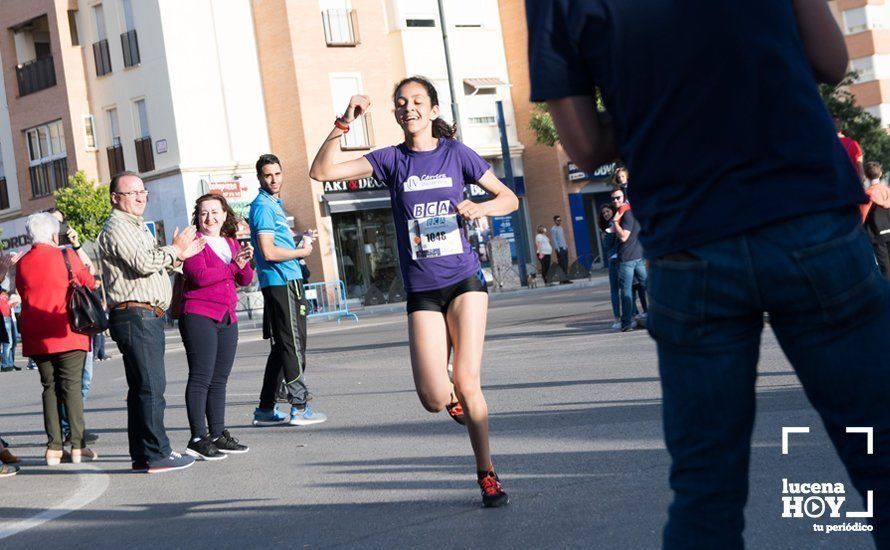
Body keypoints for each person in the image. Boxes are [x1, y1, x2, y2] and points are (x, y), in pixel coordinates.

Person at [527, 0, 890, 546]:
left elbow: (584, 145)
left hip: (690, 241)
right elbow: (831, 60)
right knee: (879, 450)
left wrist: (658, 102)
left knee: (706, 489)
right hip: (806, 212)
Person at [309, 75, 519, 507]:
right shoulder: (391, 160)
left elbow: (509, 199)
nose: (409, 107)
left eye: (418, 101)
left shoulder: (456, 154)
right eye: (401, 102)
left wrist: (480, 206)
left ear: (434, 110)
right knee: (432, 397)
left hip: (464, 279)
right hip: (422, 288)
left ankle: (487, 474)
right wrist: (343, 123)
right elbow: (321, 171)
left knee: (467, 378)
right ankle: (450, 396)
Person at [98, 171, 205, 474]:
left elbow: (150, 265)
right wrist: (175, 252)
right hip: (136, 314)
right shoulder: (118, 226)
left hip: (145, 313)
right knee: (150, 387)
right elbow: (144, 263)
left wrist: (175, 256)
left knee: (141, 389)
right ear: (115, 198)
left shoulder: (135, 226)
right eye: (131, 193)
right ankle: (158, 453)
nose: (140, 197)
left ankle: (142, 454)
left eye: (142, 191)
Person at [248, 154, 327, 428]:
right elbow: (268, 251)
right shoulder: (262, 207)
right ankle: (299, 407)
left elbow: (272, 243)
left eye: (277, 174)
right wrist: (301, 251)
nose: (274, 179)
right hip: (282, 282)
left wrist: (298, 240)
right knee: (293, 345)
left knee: (283, 347)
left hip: (285, 279)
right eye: (268, 175)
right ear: (259, 178)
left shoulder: (273, 204)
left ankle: (266, 409)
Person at [16, 213, 98, 465]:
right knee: (71, 387)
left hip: (37, 336)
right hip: (67, 332)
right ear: (54, 234)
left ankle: (53, 448)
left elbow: (22, 291)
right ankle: (77, 446)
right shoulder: (66, 256)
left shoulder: (22, 263)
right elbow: (90, 282)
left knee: (49, 388)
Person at [179, 193, 254, 460]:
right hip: (199, 314)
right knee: (201, 377)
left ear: (224, 215)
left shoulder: (230, 243)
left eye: (214, 212)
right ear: (197, 217)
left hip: (227, 316)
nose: (209, 218)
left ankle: (218, 433)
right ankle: (198, 437)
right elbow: (199, 277)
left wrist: (244, 261)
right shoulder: (193, 242)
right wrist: (233, 266)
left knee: (220, 379)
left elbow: (244, 278)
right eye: (203, 213)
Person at [49, 209, 100, 444]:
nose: (61, 230)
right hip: (66, 326)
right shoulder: (50, 256)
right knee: (72, 381)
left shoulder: (70, 253)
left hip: (80, 323)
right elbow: (91, 279)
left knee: (83, 379)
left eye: (62, 224)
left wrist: (78, 245)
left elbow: (92, 273)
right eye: (56, 224)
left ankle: (71, 427)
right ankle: (69, 428)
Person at [609, 188, 647, 332]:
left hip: (628, 259)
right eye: (613, 199)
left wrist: (615, 223)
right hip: (636, 256)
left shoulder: (626, 214)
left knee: (626, 291)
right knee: (646, 286)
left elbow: (624, 236)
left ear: (623, 197)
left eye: (618, 198)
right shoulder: (627, 212)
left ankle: (625, 323)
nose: (615, 201)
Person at [862, 161, 890, 277]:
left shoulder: (867, 195)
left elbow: (861, 217)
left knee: (885, 268)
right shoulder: (888, 191)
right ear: (881, 173)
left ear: (866, 175)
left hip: (877, 235)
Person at [598, 204, 622, 329]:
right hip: (615, 260)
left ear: (613, 211)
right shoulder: (608, 226)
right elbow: (607, 244)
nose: (606, 214)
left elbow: (609, 243)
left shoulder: (615, 224)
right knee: (618, 290)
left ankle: (625, 317)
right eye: (604, 213)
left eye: (608, 211)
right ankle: (619, 317)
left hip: (619, 259)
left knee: (622, 290)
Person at [836, 117, 865, 183]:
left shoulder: (826, 144)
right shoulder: (853, 144)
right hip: (852, 183)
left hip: (835, 184)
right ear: (841, 128)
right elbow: (861, 170)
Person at [0, 290, 19, 372]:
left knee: (13, 342)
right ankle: (5, 364)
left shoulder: (4, 293)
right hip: (4, 317)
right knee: (8, 343)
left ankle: (10, 363)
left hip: (9, 317)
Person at [550, 215, 571, 283]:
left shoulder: (561, 228)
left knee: (566, 264)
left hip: (564, 247)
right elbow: (554, 239)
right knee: (562, 264)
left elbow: (562, 237)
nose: (559, 221)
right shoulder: (553, 229)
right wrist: (557, 249)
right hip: (559, 249)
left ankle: (566, 279)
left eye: (560, 220)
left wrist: (566, 246)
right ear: (555, 221)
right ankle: (562, 280)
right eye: (558, 220)